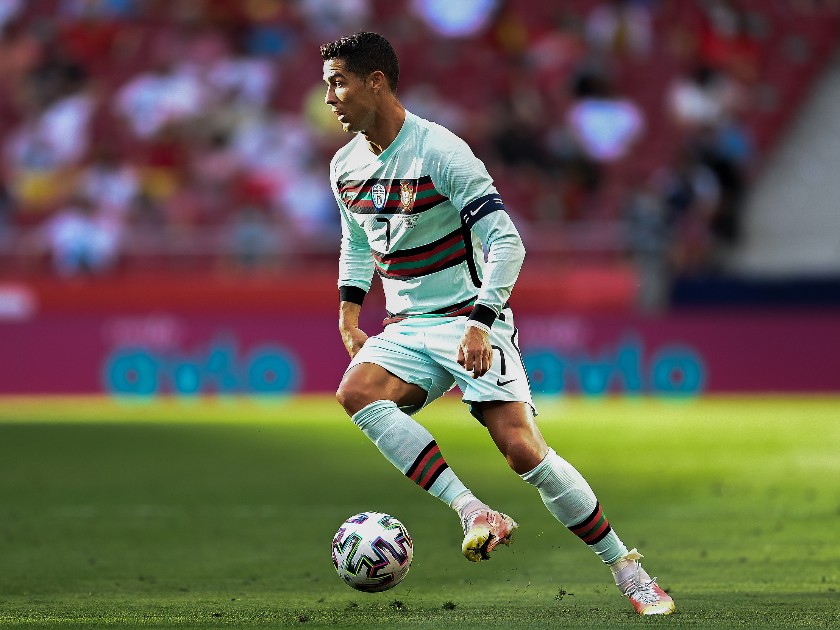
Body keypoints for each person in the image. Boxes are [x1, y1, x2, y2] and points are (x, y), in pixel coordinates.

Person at [321, 31, 675, 616]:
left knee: (522, 451)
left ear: (375, 81)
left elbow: (507, 242)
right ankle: (474, 510)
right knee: (356, 393)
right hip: (406, 324)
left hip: (468, 315)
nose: (329, 98)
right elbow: (356, 241)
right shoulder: (345, 166)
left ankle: (628, 569)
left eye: (339, 83)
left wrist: (482, 322)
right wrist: (349, 310)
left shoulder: (440, 151)